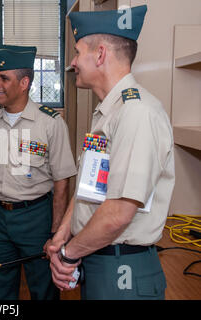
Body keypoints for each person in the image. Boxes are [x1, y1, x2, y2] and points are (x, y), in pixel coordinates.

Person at [46, 5, 175, 300]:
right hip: (100, 258)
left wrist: (67, 255)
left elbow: (119, 213)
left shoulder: (137, 113)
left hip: (123, 268)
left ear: (101, 54)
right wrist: (64, 232)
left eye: (78, 52)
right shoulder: (108, 113)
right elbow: (90, 190)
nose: (73, 62)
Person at [0, 45, 77, 300]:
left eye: (3, 78)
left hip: (36, 217)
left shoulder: (50, 123)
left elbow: (62, 183)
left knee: (43, 289)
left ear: (24, 82)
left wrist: (55, 232)